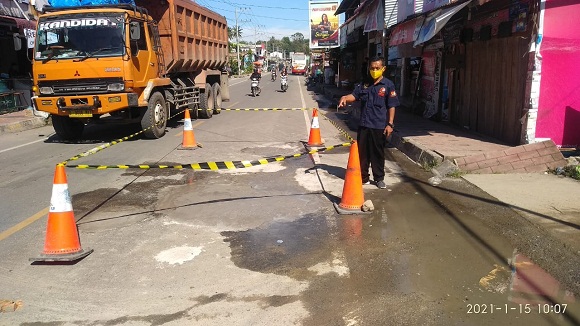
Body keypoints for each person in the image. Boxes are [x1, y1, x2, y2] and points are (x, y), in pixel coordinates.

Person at [338, 56, 399, 189]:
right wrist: (344, 97)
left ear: (383, 69)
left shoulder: (388, 85)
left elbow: (392, 105)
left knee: (377, 153)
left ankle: (379, 178)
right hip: (364, 124)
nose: (374, 70)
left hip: (379, 125)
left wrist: (390, 124)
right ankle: (363, 177)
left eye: (377, 68)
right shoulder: (365, 83)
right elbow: (354, 96)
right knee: (363, 153)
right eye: (372, 68)